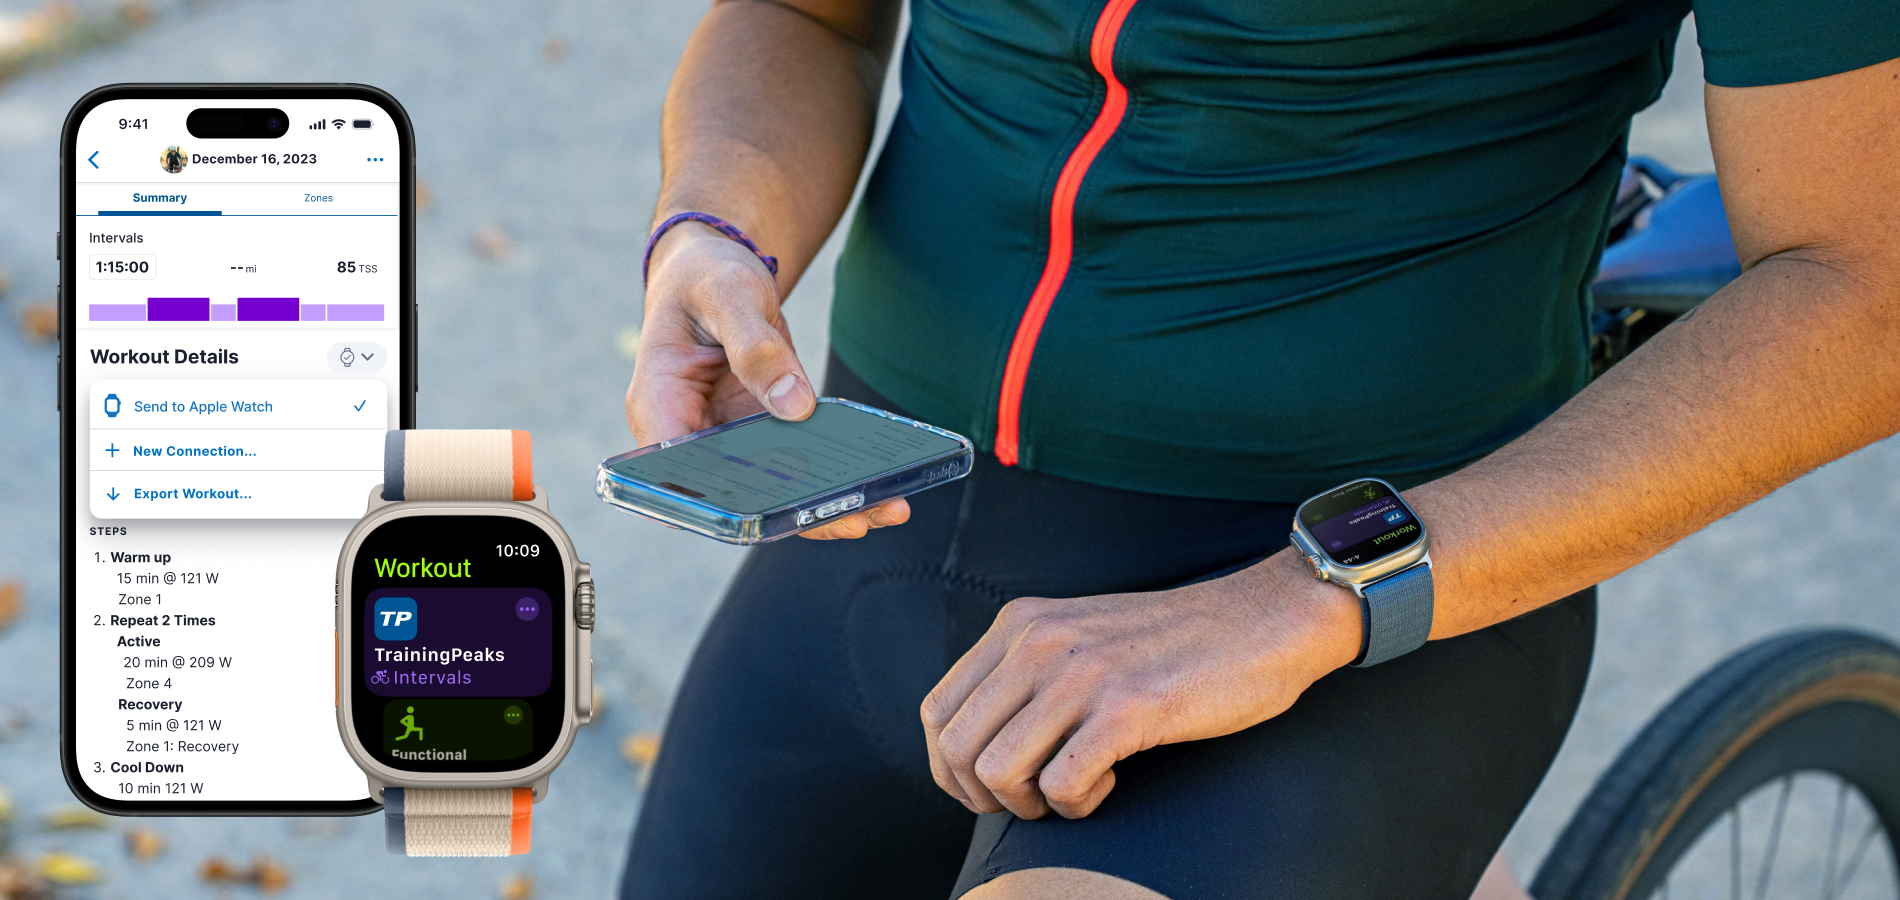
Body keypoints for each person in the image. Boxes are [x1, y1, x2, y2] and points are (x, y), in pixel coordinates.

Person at [618, 0, 1900, 896]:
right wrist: (716, 230)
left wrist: (1311, 594)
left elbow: (1866, 295)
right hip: (873, 550)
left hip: (1356, 619)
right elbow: (801, 16)